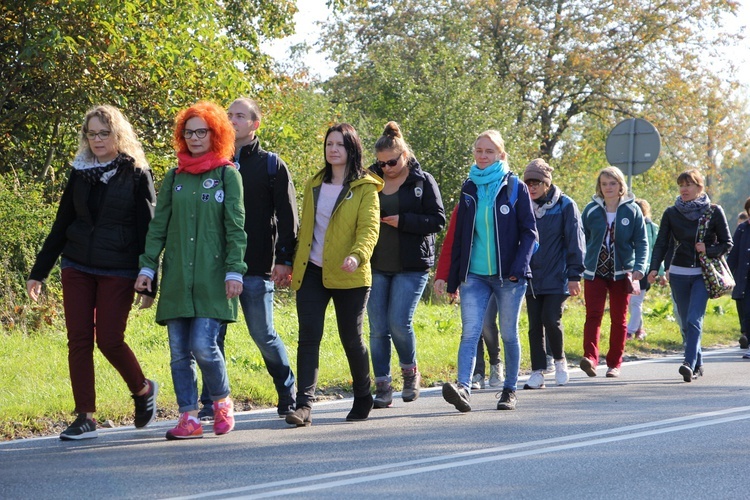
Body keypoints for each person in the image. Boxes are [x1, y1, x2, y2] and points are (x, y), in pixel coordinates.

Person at [27, 105, 158, 440]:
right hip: (77, 264)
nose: (98, 139)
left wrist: (149, 278)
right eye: (92, 133)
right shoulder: (80, 171)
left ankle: (142, 390)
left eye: (104, 133)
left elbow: (149, 231)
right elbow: (62, 223)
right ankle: (85, 416)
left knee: (110, 340)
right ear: (85, 136)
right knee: (79, 341)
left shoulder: (137, 173)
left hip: (119, 267)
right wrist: (39, 272)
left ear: (118, 134)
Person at [135, 101, 247, 439]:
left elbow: (236, 227)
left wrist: (234, 270)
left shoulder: (228, 174)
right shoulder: (174, 177)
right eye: (189, 132)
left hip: (213, 280)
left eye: (202, 132)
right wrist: (147, 268)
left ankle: (221, 401)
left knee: (203, 344)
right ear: (182, 137)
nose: (195, 138)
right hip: (178, 281)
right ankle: (189, 417)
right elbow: (158, 228)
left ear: (216, 134)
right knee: (179, 352)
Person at [197, 97, 298, 422]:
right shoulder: (211, 162)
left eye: (240, 115)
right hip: (215, 266)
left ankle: (287, 392)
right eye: (228, 115)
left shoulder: (271, 165)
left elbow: (287, 217)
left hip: (257, 266)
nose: (232, 119)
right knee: (212, 336)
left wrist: (284, 259)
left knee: (263, 333)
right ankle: (213, 401)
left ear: (255, 124)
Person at [285, 123, 382, 427]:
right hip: (312, 271)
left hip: (350, 274)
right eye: (329, 144)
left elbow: (369, 230)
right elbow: (305, 230)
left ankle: (364, 394)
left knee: (351, 339)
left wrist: (356, 256)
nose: (333, 149)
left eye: (339, 144)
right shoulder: (314, 184)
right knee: (308, 338)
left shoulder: (365, 187)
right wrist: (291, 262)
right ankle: (304, 406)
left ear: (352, 148)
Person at [441, 130, 537, 412]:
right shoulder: (469, 187)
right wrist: (452, 279)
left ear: (501, 155)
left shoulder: (515, 187)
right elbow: (460, 236)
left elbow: (530, 233)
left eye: (489, 151)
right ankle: (463, 388)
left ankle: (509, 390)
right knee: (470, 332)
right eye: (479, 150)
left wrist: (518, 270)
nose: (483, 156)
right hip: (475, 275)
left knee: (508, 333)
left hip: (509, 277)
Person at [367, 121, 445, 408]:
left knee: (399, 323)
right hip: (375, 264)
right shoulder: (369, 179)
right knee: (377, 328)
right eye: (381, 163)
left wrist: (405, 222)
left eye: (392, 161)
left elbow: (438, 220)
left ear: (404, 154)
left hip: (411, 265)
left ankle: (410, 373)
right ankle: (383, 385)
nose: (387, 167)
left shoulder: (422, 180)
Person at [648, 169, 732, 381]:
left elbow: (727, 243)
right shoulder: (671, 213)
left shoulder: (714, 211)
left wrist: (708, 249)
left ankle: (688, 362)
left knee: (695, 319)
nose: (684, 189)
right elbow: (661, 243)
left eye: (688, 185)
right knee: (685, 323)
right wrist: (653, 268)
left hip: (702, 275)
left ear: (699, 188)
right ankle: (698, 361)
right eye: (681, 185)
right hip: (678, 273)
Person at [522, 159, 585, 389]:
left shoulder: (565, 205)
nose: (531, 187)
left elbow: (575, 241)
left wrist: (575, 275)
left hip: (558, 275)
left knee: (551, 318)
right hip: (531, 276)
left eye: (536, 182)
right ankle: (538, 372)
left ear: (547, 183)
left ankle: (559, 361)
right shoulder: (523, 204)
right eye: (528, 182)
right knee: (534, 325)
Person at [580, 166, 648, 378]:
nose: (608, 187)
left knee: (619, 319)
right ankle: (590, 358)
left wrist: (640, 268)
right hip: (594, 272)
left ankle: (614, 363)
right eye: (604, 184)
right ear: (599, 187)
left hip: (622, 273)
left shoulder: (632, 210)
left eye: (612, 183)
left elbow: (642, 242)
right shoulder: (591, 209)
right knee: (593, 315)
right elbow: (581, 239)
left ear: (620, 186)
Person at [434, 205, 505, 390]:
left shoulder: (504, 200)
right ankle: (476, 373)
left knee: (487, 323)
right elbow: (452, 243)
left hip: (498, 276)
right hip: (472, 276)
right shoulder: (464, 205)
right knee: (472, 328)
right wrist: (446, 277)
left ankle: (496, 362)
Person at [626, 198, 662, 341]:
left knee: (635, 302)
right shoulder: (627, 225)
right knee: (632, 302)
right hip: (628, 268)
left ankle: (630, 331)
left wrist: (659, 272)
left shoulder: (652, 228)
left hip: (643, 270)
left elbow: (656, 251)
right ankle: (640, 329)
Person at [726, 198, 750, 355]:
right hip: (743, 278)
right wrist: (726, 276)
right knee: (745, 311)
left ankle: (747, 337)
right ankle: (746, 336)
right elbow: (733, 255)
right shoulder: (742, 229)